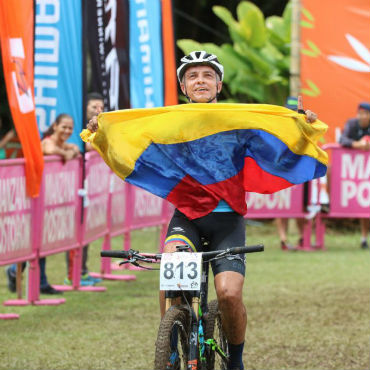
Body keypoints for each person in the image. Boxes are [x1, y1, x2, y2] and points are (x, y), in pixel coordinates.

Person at [86, 51, 320, 370]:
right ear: (184, 86)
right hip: (187, 218)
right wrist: (104, 129)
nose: (200, 80)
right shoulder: (169, 122)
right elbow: (131, 138)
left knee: (228, 295)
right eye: (193, 76)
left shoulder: (238, 120)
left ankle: (235, 361)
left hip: (228, 222)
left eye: (207, 75)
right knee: (172, 276)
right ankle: (168, 348)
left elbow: (277, 152)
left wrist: (301, 129)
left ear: (219, 84)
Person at [6, 113, 80, 295]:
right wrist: (67, 153)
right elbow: (49, 150)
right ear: (54, 126)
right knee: (35, 240)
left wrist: (71, 151)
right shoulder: (48, 142)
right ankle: (18, 273)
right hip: (34, 197)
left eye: (70, 128)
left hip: (47, 200)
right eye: (64, 127)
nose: (67, 131)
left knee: (41, 241)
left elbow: (76, 149)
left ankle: (38, 280)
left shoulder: (62, 144)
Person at [64, 92, 105, 286]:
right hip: (73, 186)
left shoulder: (103, 125)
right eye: (93, 106)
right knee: (75, 230)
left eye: (100, 107)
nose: (97, 110)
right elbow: (89, 148)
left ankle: (83, 271)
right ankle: (72, 275)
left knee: (85, 230)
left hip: (91, 186)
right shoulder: (77, 127)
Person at [275, 97, 306, 251]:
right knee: (282, 207)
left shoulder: (303, 125)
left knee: (299, 208)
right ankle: (283, 239)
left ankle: (302, 238)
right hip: (282, 171)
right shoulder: (278, 125)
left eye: (294, 111)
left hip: (299, 172)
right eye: (289, 110)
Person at [339, 102, 370, 249]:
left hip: (367, 174)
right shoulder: (351, 124)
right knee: (361, 207)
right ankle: (364, 238)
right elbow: (342, 140)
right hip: (354, 174)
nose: (362, 116)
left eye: (365, 113)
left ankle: (364, 238)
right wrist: (356, 144)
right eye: (360, 113)